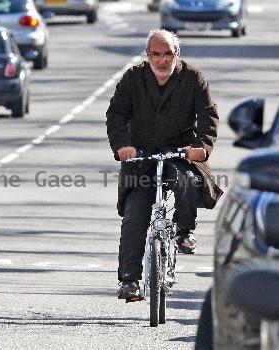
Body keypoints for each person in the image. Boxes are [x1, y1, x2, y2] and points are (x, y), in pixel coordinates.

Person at [106, 29, 222, 300]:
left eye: (167, 53)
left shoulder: (194, 78)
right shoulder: (133, 78)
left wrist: (201, 149)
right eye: (155, 54)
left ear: (176, 54)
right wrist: (122, 146)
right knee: (135, 215)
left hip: (180, 153)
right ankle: (130, 281)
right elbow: (116, 114)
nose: (162, 60)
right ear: (148, 55)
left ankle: (184, 231)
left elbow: (209, 116)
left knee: (185, 183)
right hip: (141, 158)